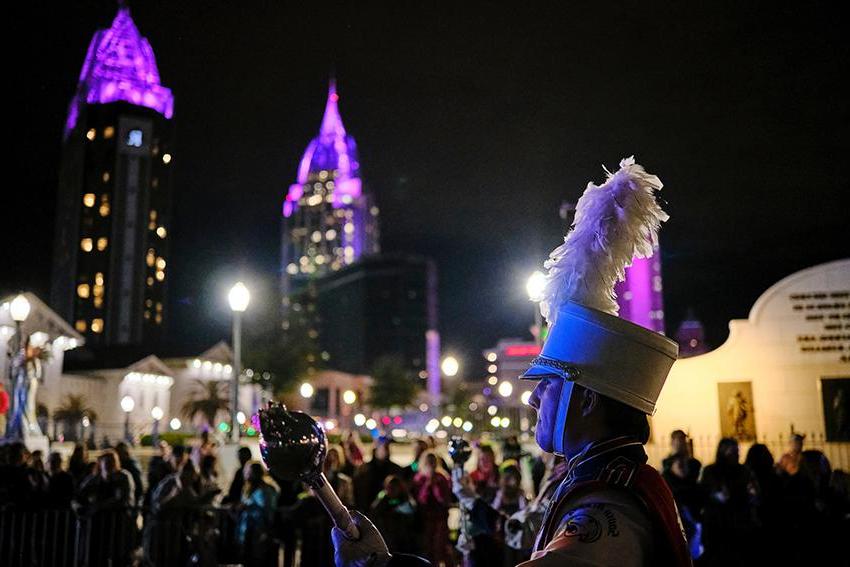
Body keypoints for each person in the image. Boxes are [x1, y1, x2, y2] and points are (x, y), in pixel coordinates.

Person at [330, 158, 691, 566]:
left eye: (550, 383)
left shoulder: (607, 503)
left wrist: (386, 565)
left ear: (588, 400)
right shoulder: (602, 479)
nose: (534, 399)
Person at [697, 438, 758, 566]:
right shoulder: (711, 471)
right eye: (733, 450)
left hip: (739, 525)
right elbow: (703, 493)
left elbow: (752, 493)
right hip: (717, 525)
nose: (737, 454)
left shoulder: (743, 471)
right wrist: (716, 496)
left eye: (737, 450)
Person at [410, 451, 452, 565]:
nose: (431, 465)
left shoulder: (442, 477)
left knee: (440, 547)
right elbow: (420, 499)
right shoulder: (419, 478)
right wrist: (427, 484)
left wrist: (436, 486)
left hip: (440, 518)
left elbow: (444, 499)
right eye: (428, 462)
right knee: (427, 547)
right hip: (425, 518)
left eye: (433, 462)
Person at [237, 461, 279, 566]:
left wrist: (248, 506)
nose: (247, 474)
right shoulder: (248, 489)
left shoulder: (266, 489)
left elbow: (267, 510)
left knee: (258, 559)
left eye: (249, 472)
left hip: (259, 531)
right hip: (248, 531)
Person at [371, 475, 419, 556]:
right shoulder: (383, 497)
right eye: (390, 487)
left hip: (402, 535)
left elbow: (412, 509)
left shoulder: (404, 497)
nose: (392, 490)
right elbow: (374, 511)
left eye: (395, 487)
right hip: (386, 534)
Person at [353, 437, 403, 513]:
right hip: (367, 505)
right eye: (381, 449)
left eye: (385, 449)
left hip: (387, 509)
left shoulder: (395, 468)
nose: (383, 451)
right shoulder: (365, 468)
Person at [115, 441, 143, 506]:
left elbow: (139, 485)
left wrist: (136, 504)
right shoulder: (120, 464)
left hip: (131, 501)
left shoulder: (132, 464)